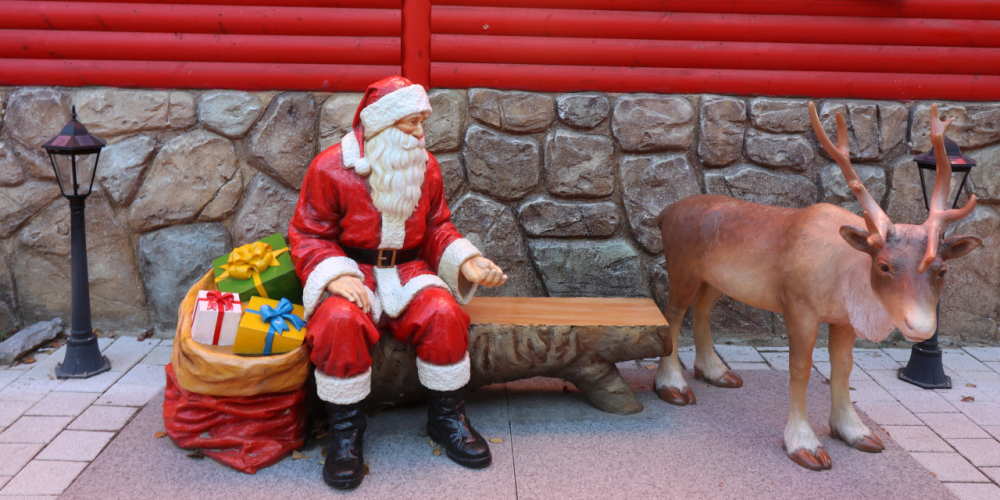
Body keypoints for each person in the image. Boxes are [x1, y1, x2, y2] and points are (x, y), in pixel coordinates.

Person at [289, 76, 507, 490]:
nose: (420, 133)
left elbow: (438, 226)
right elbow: (308, 233)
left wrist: (468, 261)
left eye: (421, 122)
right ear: (382, 125)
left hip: (408, 272)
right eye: (410, 124)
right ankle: (346, 434)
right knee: (338, 322)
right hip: (354, 272)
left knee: (444, 314)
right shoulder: (330, 166)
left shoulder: (426, 167)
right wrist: (334, 275)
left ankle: (447, 418)